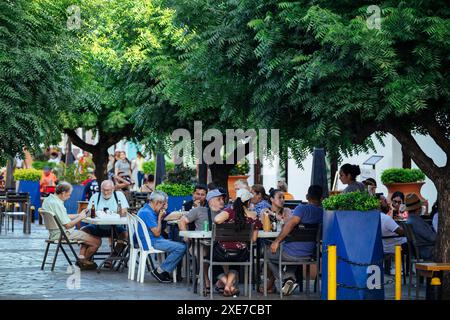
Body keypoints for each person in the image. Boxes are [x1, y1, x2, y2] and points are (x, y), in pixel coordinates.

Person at [267, 185, 324, 296]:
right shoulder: (323, 212)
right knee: (292, 253)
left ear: (307, 196)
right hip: (310, 254)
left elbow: (291, 224)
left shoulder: (301, 208)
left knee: (267, 254)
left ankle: (285, 278)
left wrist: (276, 241)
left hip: (291, 253)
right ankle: (290, 280)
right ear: (321, 198)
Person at [41, 182, 101, 270]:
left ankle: (82, 260)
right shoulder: (57, 204)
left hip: (54, 233)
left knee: (86, 234)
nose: (69, 197)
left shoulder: (48, 200)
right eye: (69, 195)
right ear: (63, 193)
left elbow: (62, 216)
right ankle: (83, 262)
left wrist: (78, 215)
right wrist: (81, 217)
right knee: (97, 241)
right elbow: (68, 225)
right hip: (64, 233)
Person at [213, 188, 260, 297]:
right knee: (237, 259)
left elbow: (217, 220)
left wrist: (229, 212)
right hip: (241, 253)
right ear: (248, 202)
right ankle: (230, 286)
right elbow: (253, 239)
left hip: (222, 252)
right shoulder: (253, 215)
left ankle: (227, 285)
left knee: (213, 260)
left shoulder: (229, 211)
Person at [178, 188, 226, 293]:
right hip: (198, 245)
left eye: (223, 199)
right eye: (219, 199)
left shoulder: (225, 213)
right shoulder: (199, 210)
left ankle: (222, 282)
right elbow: (182, 221)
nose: (222, 201)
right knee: (203, 252)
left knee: (226, 253)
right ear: (211, 201)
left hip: (217, 246)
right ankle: (206, 281)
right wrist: (186, 235)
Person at [137, 191, 187, 283]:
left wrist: (161, 215)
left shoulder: (147, 210)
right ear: (157, 203)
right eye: (163, 204)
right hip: (152, 241)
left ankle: (165, 271)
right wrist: (160, 218)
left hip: (151, 239)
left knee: (176, 244)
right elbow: (156, 233)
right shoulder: (147, 213)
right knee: (182, 247)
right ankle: (160, 271)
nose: (164, 206)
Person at [82, 180, 129, 259]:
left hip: (115, 227)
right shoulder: (96, 196)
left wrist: (118, 213)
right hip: (98, 227)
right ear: (100, 189)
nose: (106, 192)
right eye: (103, 190)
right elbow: (88, 212)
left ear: (113, 189)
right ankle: (82, 258)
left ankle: (113, 257)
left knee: (126, 235)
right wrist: (93, 213)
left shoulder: (119, 195)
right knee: (83, 231)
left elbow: (124, 212)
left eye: (108, 190)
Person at [405, 193, 436, 260]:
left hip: (423, 249)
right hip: (427, 250)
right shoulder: (416, 221)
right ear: (418, 208)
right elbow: (432, 238)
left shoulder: (410, 219)